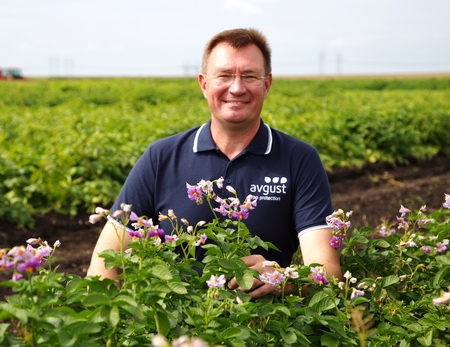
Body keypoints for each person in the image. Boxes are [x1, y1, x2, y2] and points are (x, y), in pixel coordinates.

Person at [87, 28, 342, 298]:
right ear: (204, 83)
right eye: (224, 75)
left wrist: (282, 279)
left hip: (264, 328)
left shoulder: (299, 159)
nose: (237, 88)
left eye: (250, 76)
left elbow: (328, 272)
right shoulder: (161, 157)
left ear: (266, 85)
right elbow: (105, 265)